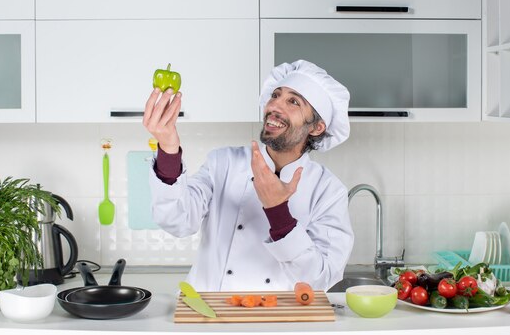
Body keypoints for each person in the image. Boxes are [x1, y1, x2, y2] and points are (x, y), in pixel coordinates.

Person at [143, 60, 354, 291]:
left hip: (276, 320)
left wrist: (278, 213)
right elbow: (177, 221)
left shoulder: (328, 191)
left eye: (293, 101)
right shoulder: (222, 162)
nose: (274, 106)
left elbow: (320, 279)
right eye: (275, 95)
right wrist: (168, 147)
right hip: (210, 315)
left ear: (316, 128)